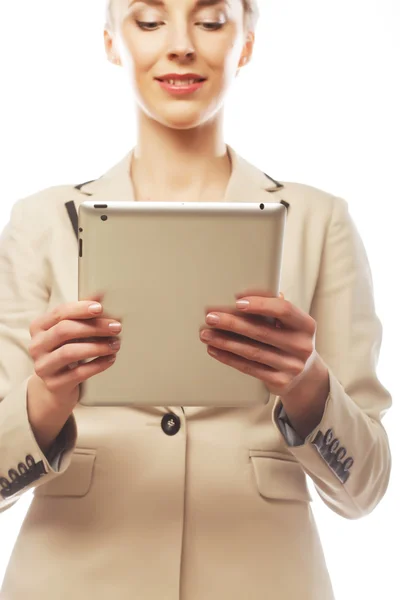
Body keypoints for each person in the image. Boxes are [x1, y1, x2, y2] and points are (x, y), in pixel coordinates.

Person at [0, 1, 392, 598]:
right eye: (149, 21)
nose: (181, 44)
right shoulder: (39, 222)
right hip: (71, 579)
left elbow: (365, 491)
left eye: (210, 21)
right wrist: (47, 399)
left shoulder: (320, 221)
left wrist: (308, 384)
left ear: (248, 44)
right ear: (110, 42)